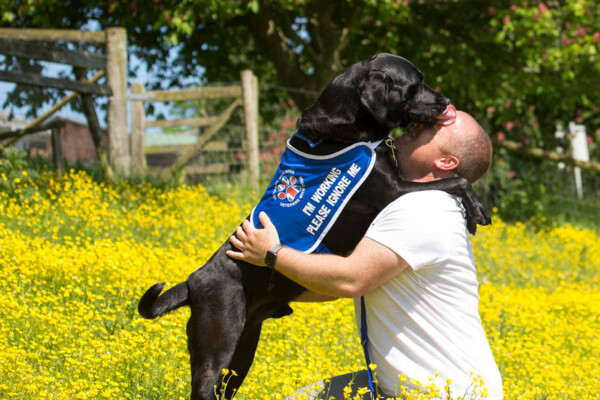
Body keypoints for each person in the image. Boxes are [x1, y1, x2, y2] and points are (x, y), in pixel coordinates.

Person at [226, 109, 503, 399]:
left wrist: (272, 253)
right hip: (399, 388)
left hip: (449, 393)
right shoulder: (409, 203)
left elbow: (351, 279)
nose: (418, 124)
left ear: (446, 162)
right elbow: (333, 286)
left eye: (430, 128)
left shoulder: (426, 210)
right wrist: (255, 293)